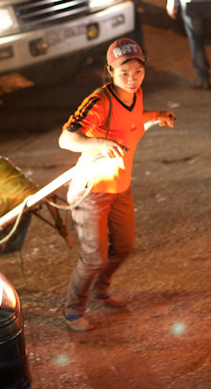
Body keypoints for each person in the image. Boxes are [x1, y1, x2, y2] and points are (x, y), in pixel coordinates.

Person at [60, 38, 176, 332]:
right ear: (110, 70)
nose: (132, 79)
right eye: (124, 72)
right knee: (93, 258)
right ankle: (73, 311)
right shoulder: (99, 101)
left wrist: (158, 115)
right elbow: (66, 138)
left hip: (120, 189)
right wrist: (100, 142)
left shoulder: (135, 94)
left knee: (124, 247)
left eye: (138, 71)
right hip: (91, 192)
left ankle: (100, 292)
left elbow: (133, 119)